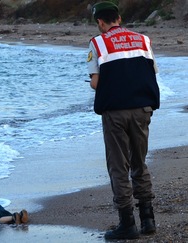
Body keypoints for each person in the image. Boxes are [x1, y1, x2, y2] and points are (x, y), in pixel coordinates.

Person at [87, 1, 160, 240]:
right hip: (142, 109)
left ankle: (127, 224)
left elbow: (96, 83)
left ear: (100, 21)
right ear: (118, 18)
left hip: (115, 112)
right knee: (140, 162)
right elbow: (152, 71)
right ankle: (148, 220)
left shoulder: (98, 42)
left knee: (119, 166)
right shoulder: (143, 39)